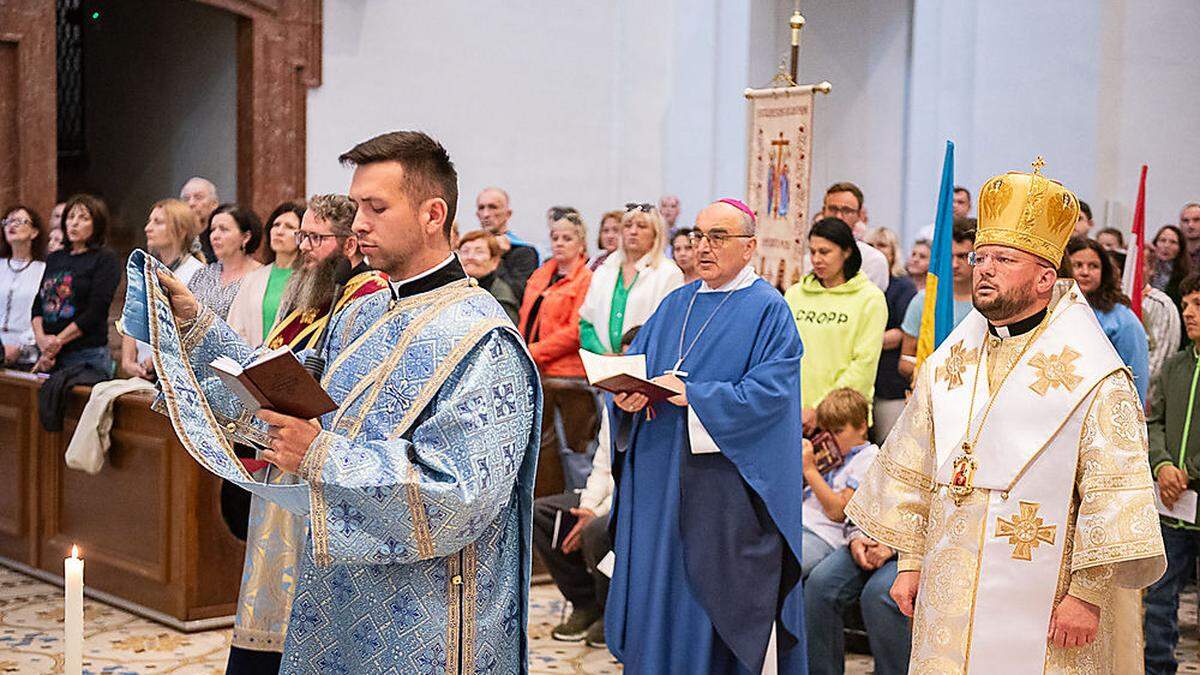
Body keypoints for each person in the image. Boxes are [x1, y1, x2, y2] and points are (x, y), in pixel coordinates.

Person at [147, 130, 540, 673]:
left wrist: (321, 455)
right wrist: (199, 327)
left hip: (427, 627)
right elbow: (285, 389)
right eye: (357, 206)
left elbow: (463, 497)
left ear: (433, 214)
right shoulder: (361, 311)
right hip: (335, 605)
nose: (358, 224)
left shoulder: (482, 339)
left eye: (376, 207)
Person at [846, 164, 1166, 673]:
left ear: (1045, 277)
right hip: (950, 589)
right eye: (981, 257)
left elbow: (1114, 495)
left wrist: (1086, 595)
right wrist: (909, 562)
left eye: (1004, 259)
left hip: (1050, 604)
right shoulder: (949, 364)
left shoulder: (1096, 376)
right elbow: (917, 467)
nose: (984, 269)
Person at [606, 198, 807, 673]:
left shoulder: (769, 311)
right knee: (656, 594)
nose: (704, 247)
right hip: (656, 483)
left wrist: (697, 395)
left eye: (718, 237)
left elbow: (770, 398)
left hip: (719, 491)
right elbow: (642, 370)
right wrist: (627, 400)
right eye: (698, 236)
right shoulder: (676, 302)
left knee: (704, 607)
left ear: (749, 246)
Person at [224, 193, 388, 675]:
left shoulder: (369, 295)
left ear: (349, 241)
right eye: (302, 236)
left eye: (315, 238)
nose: (304, 248)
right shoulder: (311, 294)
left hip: (318, 464)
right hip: (282, 456)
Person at [531, 327, 635, 650]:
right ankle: (584, 602)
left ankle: (611, 611)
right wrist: (588, 506)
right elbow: (603, 465)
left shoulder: (654, 406)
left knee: (597, 531)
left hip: (633, 503)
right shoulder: (613, 403)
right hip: (602, 498)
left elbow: (633, 481)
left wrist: (598, 513)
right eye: (624, 357)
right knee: (543, 514)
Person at [1144, 274, 1200, 674]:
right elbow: (1155, 421)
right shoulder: (1176, 365)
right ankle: (1158, 667)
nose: (1188, 312)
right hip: (1173, 503)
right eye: (1186, 303)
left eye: (1197, 303)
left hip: (1186, 489)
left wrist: (1188, 471)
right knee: (1160, 598)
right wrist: (1163, 465)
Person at [517, 212, 596, 494]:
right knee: (544, 456)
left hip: (568, 377)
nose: (559, 243)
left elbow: (575, 330)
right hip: (537, 373)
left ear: (581, 243)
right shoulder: (542, 274)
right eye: (555, 238)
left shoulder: (586, 279)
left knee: (572, 452)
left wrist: (534, 352)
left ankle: (577, 507)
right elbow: (527, 317)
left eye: (567, 238)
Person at [785, 217, 886, 431]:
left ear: (846, 251)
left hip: (844, 419)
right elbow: (782, 355)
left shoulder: (870, 298)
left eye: (825, 252)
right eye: (812, 252)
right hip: (794, 415)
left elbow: (863, 365)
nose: (816, 259)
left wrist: (820, 410)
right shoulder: (794, 295)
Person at [30, 194, 122, 375]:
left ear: (97, 224)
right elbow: (39, 303)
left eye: (83, 218)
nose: (74, 223)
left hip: (85, 354)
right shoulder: (55, 257)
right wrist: (41, 340)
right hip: (48, 353)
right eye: (70, 217)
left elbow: (96, 310)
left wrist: (57, 341)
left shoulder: (104, 259)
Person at [578, 203, 682, 354]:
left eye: (642, 226)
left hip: (645, 365)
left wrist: (630, 354)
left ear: (655, 234)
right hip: (602, 364)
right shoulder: (604, 270)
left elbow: (669, 328)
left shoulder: (669, 273)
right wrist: (603, 353)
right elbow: (586, 324)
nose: (633, 231)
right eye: (627, 225)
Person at [804, 527, 910, 675]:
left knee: (878, 595)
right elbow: (858, 505)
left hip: (914, 549)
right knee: (820, 584)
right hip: (869, 536)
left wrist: (893, 545)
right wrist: (856, 538)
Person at [120, 199, 204, 379]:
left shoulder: (197, 272)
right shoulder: (146, 270)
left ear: (181, 230)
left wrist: (157, 359)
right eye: (149, 221)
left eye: (157, 222)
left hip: (179, 375)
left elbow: (193, 330)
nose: (147, 228)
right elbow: (132, 316)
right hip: (143, 370)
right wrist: (128, 361)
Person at [800, 388, 879, 577]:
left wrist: (810, 470)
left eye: (838, 432)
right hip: (799, 521)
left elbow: (838, 512)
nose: (829, 439)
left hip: (825, 534)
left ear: (861, 427)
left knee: (778, 564)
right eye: (825, 432)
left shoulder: (869, 457)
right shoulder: (826, 453)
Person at [1068, 237, 1151, 403]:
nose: (1085, 272)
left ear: (1104, 272)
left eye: (1093, 266)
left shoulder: (1123, 320)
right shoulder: (1053, 310)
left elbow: (1136, 376)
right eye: (1077, 265)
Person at [898, 219, 977, 382]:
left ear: (975, 257)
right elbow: (905, 360)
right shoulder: (923, 300)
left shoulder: (990, 303)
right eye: (950, 256)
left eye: (962, 256)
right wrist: (940, 374)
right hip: (932, 393)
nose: (954, 264)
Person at [227, 201, 304, 348]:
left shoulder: (308, 280)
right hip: (249, 361)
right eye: (276, 225)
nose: (279, 231)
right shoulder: (254, 278)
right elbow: (235, 327)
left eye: (289, 227)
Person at [865, 227, 917, 442]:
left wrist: (864, 340)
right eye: (872, 246)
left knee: (886, 441)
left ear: (894, 252)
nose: (877, 251)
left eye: (883, 245)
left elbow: (903, 333)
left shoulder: (903, 286)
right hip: (866, 376)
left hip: (890, 381)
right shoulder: (861, 285)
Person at [187, 205, 262, 321]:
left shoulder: (260, 276)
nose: (215, 236)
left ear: (246, 237)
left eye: (224, 229)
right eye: (213, 230)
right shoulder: (203, 273)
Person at [815, 182, 890, 291]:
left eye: (847, 211)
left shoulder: (873, 260)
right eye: (833, 209)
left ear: (859, 215)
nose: (839, 217)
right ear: (823, 212)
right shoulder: (809, 260)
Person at [1, 205, 47, 368]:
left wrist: (20, 346)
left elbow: (43, 312)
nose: (11, 225)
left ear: (34, 232)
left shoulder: (43, 270)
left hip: (28, 352)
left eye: (19, 221)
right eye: (8, 221)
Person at [475, 187, 539, 297]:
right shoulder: (470, 249)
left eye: (493, 207)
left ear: (508, 214)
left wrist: (497, 256)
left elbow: (517, 294)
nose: (486, 214)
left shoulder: (524, 252)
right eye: (481, 208)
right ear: (477, 214)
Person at [1139, 243, 1181, 402]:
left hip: (1145, 397)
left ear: (1151, 270)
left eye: (1140, 264)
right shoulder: (1108, 303)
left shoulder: (1162, 305)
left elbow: (1160, 360)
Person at [458, 229, 521, 324]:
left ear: (495, 261)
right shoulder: (453, 288)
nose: (470, 257)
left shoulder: (501, 297)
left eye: (479, 252)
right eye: (465, 251)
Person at [180, 176, 221, 261]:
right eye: (186, 199)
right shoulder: (175, 238)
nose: (191, 203)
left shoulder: (220, 236)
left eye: (198, 197)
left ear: (214, 204)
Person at [1151, 224, 1190, 310]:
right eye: (1162, 240)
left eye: (1173, 242)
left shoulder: (1186, 276)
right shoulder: (1146, 270)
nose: (1166, 246)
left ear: (1180, 248)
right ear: (1155, 244)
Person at [1179, 202, 1200, 271]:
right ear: (1180, 225)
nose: (1190, 225)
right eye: (1185, 221)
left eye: (1196, 220)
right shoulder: (1173, 253)